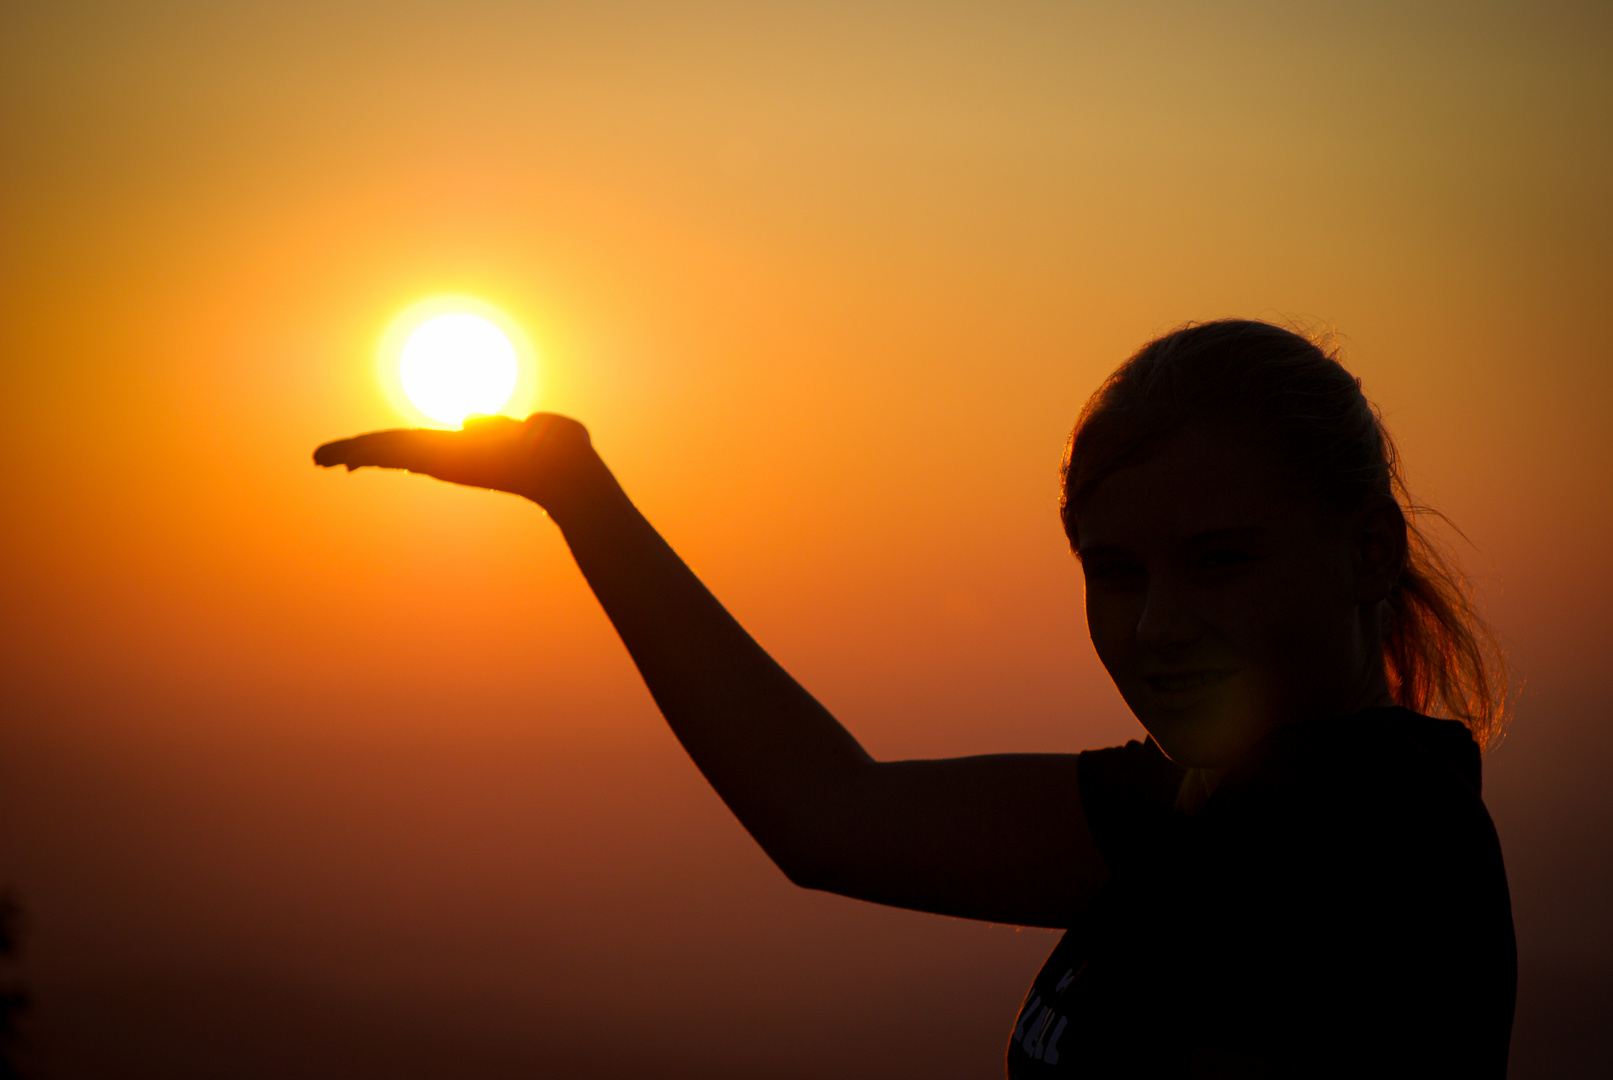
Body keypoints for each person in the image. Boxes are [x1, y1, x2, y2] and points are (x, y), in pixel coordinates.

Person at [315, 319, 1515, 1076]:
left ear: (1367, 552)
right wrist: (575, 496)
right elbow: (827, 813)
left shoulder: (1361, 844)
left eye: (1218, 560)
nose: (1155, 626)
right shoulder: (1202, 811)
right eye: (1114, 570)